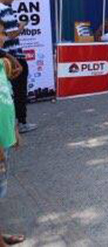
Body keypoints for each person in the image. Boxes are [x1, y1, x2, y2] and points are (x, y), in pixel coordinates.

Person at [0, 0, 36, 134]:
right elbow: (12, 34)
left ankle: (9, 123)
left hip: (3, 55)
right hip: (13, 55)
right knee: (20, 90)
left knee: (7, 91)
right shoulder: (5, 10)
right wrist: (22, 25)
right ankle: (21, 123)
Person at [0, 42, 23, 246]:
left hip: (5, 136)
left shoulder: (2, 65)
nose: (1, 38)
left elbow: (6, 100)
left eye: (1, 34)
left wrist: (14, 128)